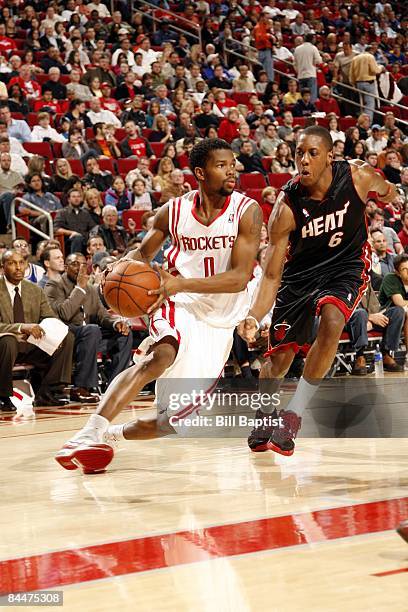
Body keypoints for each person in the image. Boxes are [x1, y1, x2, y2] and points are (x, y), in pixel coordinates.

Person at [55, 138, 262, 473]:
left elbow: (238, 278)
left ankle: (110, 435)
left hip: (221, 319)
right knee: (160, 355)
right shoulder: (174, 211)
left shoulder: (246, 210)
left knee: (175, 422)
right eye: (221, 165)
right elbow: (142, 255)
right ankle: (87, 432)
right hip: (178, 301)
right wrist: (118, 269)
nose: (231, 171)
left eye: (232, 163)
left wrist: (178, 282)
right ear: (200, 172)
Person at [239, 126, 398, 456]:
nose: (304, 160)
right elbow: (270, 276)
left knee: (332, 319)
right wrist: (254, 316)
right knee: (278, 361)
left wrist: (390, 194)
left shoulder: (358, 176)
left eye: (312, 153)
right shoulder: (286, 206)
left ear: (330, 156)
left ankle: (294, 414)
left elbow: (388, 191)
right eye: (299, 153)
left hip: (346, 265)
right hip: (298, 277)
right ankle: (265, 412)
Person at [0, 249, 74, 411]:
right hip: (5, 345)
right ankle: (3, 396)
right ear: (2, 267)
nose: (18, 267)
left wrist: (51, 329)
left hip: (30, 344)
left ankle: (48, 392)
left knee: (66, 337)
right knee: (8, 341)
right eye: (12, 263)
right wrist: (21, 327)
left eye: (21, 263)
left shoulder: (34, 290)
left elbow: (49, 316)